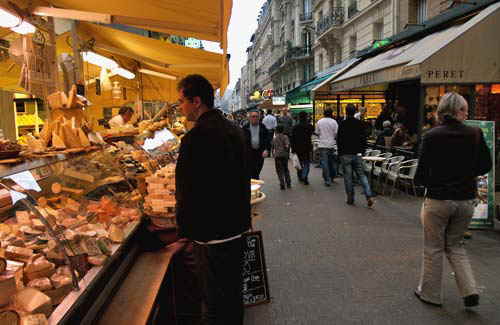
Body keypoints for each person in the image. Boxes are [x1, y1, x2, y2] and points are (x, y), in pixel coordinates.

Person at [175, 74, 251, 324]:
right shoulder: (234, 130)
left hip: (210, 236)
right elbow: (243, 178)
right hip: (236, 230)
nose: (180, 107)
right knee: (232, 296)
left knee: (213, 304)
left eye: (182, 101)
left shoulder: (194, 139)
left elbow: (185, 191)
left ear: (196, 101)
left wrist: (184, 232)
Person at [414, 92, 492, 308]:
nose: (467, 114)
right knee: (456, 245)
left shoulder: (431, 136)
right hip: (466, 199)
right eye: (465, 110)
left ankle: (430, 294)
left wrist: (431, 180)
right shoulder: (475, 134)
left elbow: (420, 174)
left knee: (434, 247)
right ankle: (469, 290)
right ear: (458, 111)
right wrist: (466, 173)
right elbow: (486, 165)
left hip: (438, 199)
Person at [337, 104, 374, 207]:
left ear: (346, 111)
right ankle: (369, 195)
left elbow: (339, 140)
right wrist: (362, 151)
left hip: (345, 154)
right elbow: (364, 139)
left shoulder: (342, 124)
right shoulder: (360, 124)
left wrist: (340, 154)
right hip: (357, 153)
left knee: (348, 177)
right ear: (354, 112)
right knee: (362, 175)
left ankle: (350, 198)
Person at [243, 110, 271, 179]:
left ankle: (254, 184)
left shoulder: (263, 127)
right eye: (253, 116)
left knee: (257, 170)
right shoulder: (245, 128)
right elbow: (242, 140)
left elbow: (267, 140)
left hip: (260, 152)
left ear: (259, 117)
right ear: (249, 118)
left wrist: (266, 150)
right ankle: (253, 185)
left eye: (256, 116)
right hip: (249, 153)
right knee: (252, 171)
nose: (255, 118)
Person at [315, 108, 338, 186]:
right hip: (331, 145)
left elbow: (317, 133)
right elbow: (336, 134)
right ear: (331, 114)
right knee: (331, 162)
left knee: (325, 163)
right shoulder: (334, 122)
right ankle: (332, 177)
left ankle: (327, 180)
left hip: (322, 145)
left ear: (324, 114)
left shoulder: (319, 122)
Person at [291, 111, 314, 185]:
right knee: (306, 162)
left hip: (298, 147)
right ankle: (305, 176)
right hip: (307, 147)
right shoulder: (309, 126)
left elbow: (292, 139)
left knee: (299, 162)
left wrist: (293, 149)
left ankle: (300, 176)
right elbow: (313, 132)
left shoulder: (295, 127)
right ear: (306, 117)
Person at [272, 125, 291, 190]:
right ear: (283, 130)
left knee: (279, 170)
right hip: (284, 155)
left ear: (276, 130)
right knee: (286, 169)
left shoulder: (275, 138)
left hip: (277, 156)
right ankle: (288, 183)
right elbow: (287, 145)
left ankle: (282, 183)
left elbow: (273, 147)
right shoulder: (285, 137)